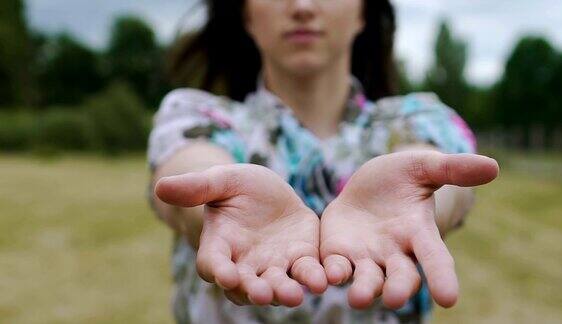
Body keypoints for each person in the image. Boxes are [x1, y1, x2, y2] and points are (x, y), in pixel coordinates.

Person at [147, 0, 499, 323]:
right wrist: (214, 198)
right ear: (245, 15)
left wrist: (425, 199)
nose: (302, 6)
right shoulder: (194, 115)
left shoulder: (420, 120)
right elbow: (189, 166)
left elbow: (439, 173)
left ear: (364, 12)